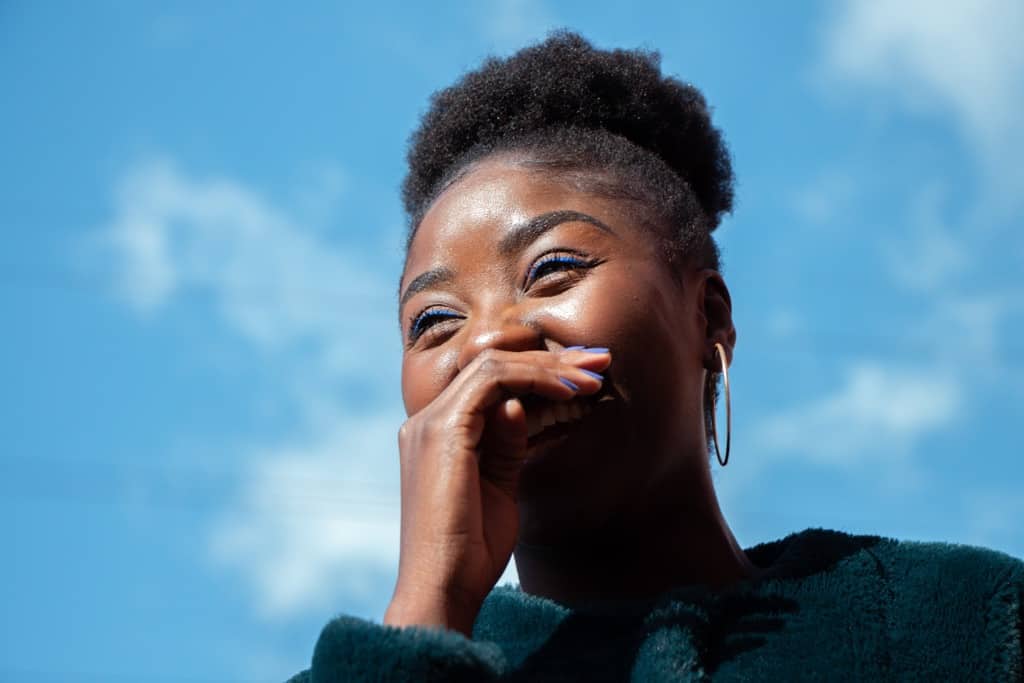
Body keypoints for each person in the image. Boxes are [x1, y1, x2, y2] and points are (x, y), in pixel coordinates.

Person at [289, 32, 1023, 681]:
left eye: (552, 270)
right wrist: (428, 612)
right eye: (435, 321)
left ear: (709, 317)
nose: (486, 341)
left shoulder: (961, 616)